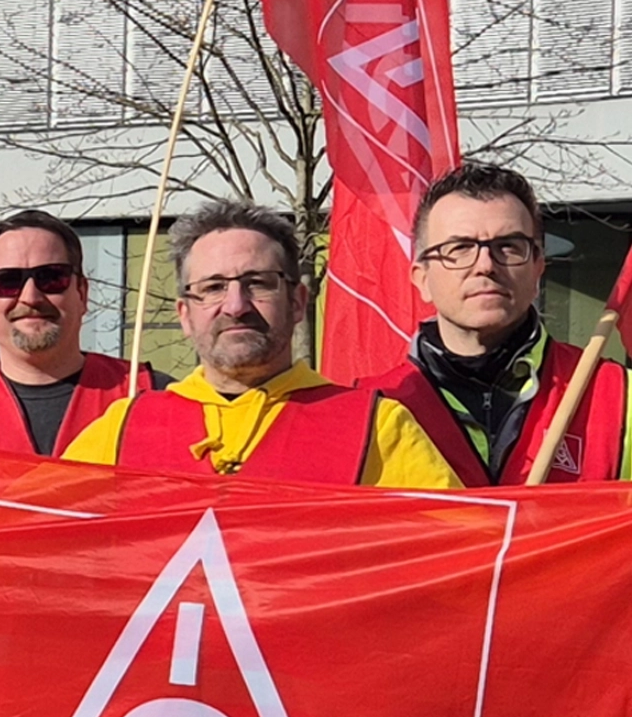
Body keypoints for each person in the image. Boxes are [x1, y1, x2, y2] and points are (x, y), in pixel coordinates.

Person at [63, 201, 461, 487]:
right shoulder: (122, 430)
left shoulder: (376, 426)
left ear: (298, 302)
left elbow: (454, 552)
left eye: (258, 283)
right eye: (213, 287)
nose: (236, 306)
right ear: (184, 314)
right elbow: (45, 544)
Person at [360, 162, 632, 483]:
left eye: (508, 246)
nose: (486, 265)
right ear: (422, 278)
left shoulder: (618, 397)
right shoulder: (368, 411)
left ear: (538, 267)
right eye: (459, 248)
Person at [0, 211, 152, 453]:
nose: (30, 297)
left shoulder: (150, 397)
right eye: (7, 281)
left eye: (51, 277)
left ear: (82, 293)